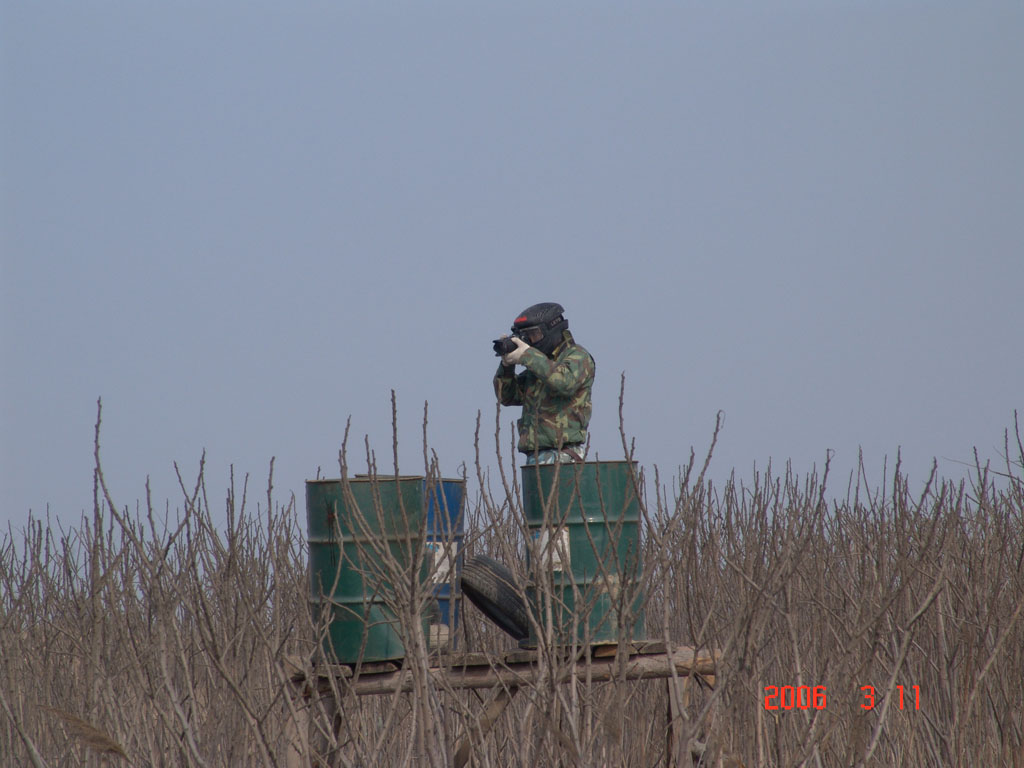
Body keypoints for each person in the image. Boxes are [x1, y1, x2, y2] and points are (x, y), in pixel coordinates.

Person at [493, 302, 595, 464]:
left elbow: (564, 383)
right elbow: (506, 396)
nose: (531, 342)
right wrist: (507, 366)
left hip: (564, 454)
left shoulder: (577, 357)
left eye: (534, 335)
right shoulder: (540, 364)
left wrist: (528, 355)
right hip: (534, 456)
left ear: (552, 329)